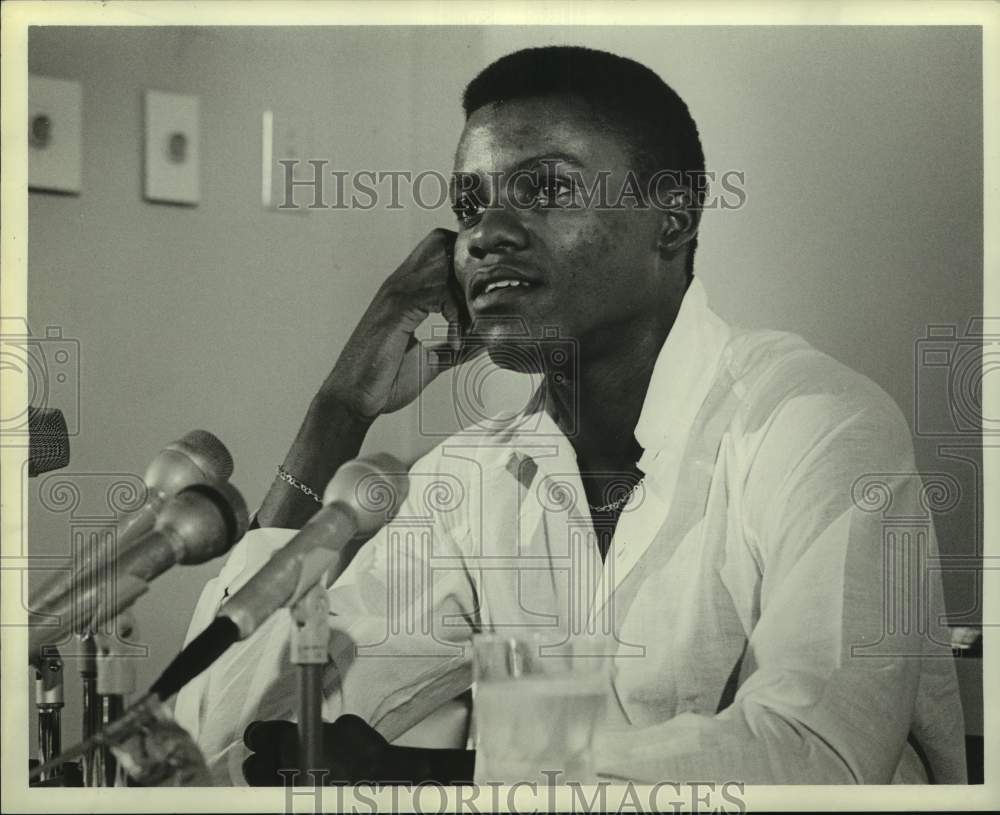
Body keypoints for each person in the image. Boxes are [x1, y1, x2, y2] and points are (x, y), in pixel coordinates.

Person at [173, 45, 966, 785]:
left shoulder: (815, 426)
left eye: (547, 189)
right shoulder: (476, 477)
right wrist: (338, 412)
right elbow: (213, 733)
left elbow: (818, 758)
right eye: (469, 204)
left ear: (674, 215)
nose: (486, 235)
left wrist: (442, 777)